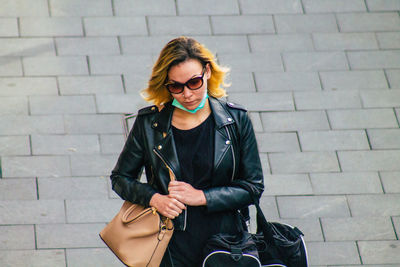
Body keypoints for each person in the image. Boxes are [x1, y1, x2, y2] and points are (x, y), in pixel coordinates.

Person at [110, 36, 264, 267]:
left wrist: (202, 197)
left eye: (194, 82)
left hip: (225, 243)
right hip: (170, 243)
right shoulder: (149, 124)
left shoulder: (236, 120)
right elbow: (120, 178)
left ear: (208, 72)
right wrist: (155, 199)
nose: (187, 94)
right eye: (176, 86)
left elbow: (253, 187)